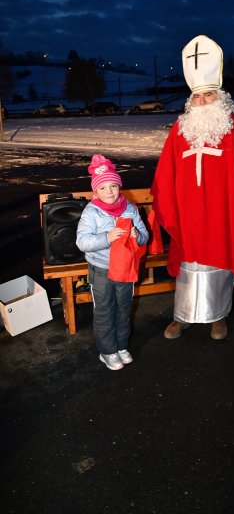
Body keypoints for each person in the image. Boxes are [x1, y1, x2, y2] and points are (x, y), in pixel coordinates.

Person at [151, 34, 234, 340]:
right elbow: (166, 170)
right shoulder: (180, 130)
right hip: (189, 210)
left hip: (224, 209)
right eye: (197, 97)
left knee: (222, 257)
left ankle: (218, 315)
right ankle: (183, 315)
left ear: (221, 97)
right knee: (190, 260)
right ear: (190, 102)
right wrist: (166, 202)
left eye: (208, 95)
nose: (203, 102)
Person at [76, 154, 149, 370]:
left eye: (113, 186)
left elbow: (145, 235)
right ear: (95, 192)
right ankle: (107, 350)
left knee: (124, 309)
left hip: (125, 268)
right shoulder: (91, 212)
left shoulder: (130, 209)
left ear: (119, 187)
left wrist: (137, 235)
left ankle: (121, 346)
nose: (109, 191)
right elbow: (82, 242)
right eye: (103, 187)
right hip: (101, 270)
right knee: (105, 310)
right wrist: (106, 238)